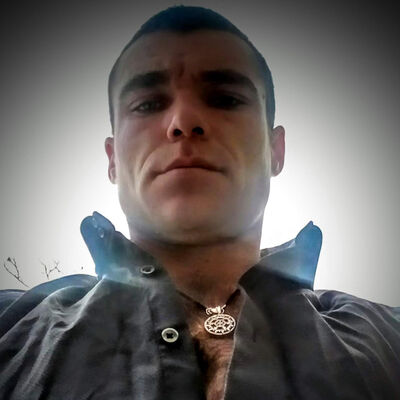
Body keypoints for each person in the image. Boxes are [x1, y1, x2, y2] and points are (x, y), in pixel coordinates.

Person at [0, 5, 399, 400]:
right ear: (113, 159)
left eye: (225, 99)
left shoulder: (389, 337)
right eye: (147, 104)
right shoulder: (12, 327)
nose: (183, 121)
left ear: (276, 150)